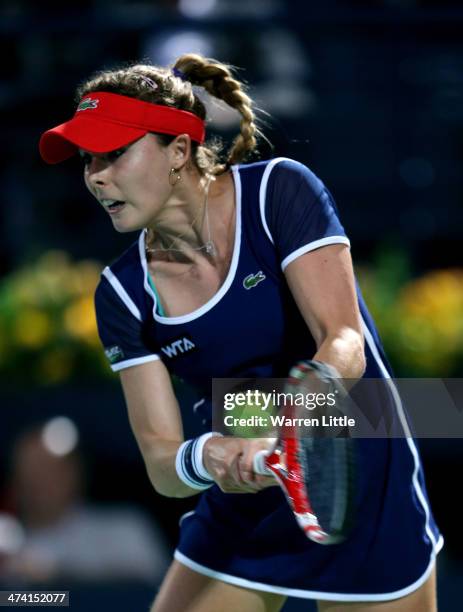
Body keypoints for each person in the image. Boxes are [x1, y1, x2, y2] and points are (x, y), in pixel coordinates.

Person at [39, 54, 442, 612]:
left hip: (355, 461)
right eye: (87, 161)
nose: (96, 176)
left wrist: (299, 417)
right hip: (245, 482)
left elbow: (344, 338)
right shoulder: (122, 292)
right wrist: (211, 457)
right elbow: (162, 462)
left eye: (113, 154)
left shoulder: (280, 192)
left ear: (178, 150)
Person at [0, 424, 170, 585]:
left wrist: (60, 578)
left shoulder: (125, 529)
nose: (39, 481)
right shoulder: (6, 544)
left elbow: (156, 596)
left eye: (50, 470)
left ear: (76, 473)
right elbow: (8, 601)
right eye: (30, 471)